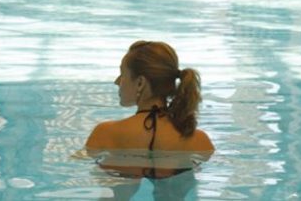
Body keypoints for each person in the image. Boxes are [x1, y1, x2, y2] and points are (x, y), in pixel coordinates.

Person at [85, 40, 214, 172]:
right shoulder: (199, 140)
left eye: (122, 74)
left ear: (140, 83)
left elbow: (77, 165)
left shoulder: (106, 133)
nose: (117, 82)